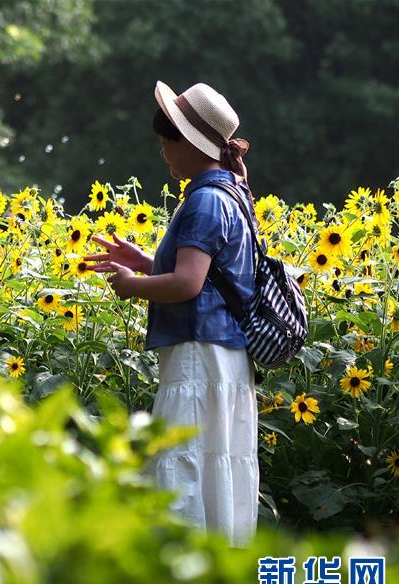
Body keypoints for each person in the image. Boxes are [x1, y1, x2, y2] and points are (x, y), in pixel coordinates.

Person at [85, 81, 259, 548]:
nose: (164, 154)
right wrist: (146, 261)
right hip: (225, 357)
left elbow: (188, 284)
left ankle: (182, 579)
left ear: (192, 145)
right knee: (217, 470)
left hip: (198, 357)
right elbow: (207, 271)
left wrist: (132, 286)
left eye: (168, 144)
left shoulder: (204, 200)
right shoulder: (232, 194)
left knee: (183, 467)